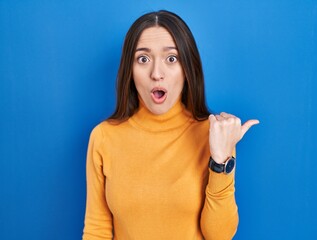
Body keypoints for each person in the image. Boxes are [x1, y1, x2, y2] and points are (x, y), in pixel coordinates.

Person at [82, 10, 259, 240]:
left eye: (171, 58)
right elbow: (97, 230)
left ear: (187, 70)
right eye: (143, 59)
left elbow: (219, 235)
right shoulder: (104, 137)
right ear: (130, 71)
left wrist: (221, 160)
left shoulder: (213, 134)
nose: (157, 73)